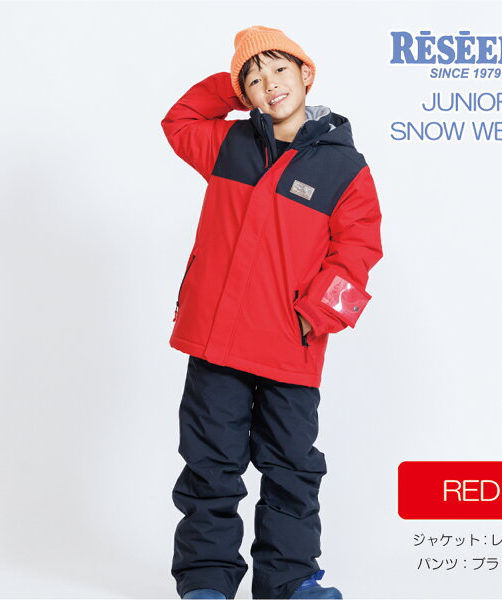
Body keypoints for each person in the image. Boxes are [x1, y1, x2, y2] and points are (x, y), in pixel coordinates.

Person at [161, 25, 383, 600]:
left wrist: (317, 316)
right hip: (216, 339)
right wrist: (232, 88)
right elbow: (180, 121)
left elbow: (360, 249)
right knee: (210, 462)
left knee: (291, 466)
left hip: (289, 345)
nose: (270, 84)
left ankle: (290, 581)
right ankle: (206, 580)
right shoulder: (229, 145)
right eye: (255, 79)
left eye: (280, 69)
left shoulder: (345, 168)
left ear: (306, 74)